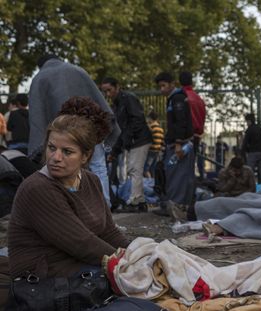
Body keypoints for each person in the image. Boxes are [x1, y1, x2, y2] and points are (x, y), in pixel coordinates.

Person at [7, 97, 130, 279]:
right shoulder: (37, 188)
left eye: (67, 151)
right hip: (42, 275)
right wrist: (128, 264)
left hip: (79, 262)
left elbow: (108, 231)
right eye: (51, 148)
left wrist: (137, 252)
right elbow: (81, 243)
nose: (56, 157)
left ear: (85, 156)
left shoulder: (91, 180)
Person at [28, 54, 120, 207]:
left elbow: (38, 114)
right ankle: (105, 205)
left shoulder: (40, 77)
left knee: (67, 167)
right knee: (98, 165)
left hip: (63, 132)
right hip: (90, 128)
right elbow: (97, 101)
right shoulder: (78, 70)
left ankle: (73, 206)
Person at [101, 77, 152, 213]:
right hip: (133, 140)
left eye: (109, 90)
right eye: (104, 91)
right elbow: (122, 131)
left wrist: (127, 140)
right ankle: (139, 201)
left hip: (139, 139)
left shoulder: (128, 99)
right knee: (133, 170)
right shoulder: (117, 104)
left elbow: (136, 120)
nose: (107, 94)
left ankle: (136, 201)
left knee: (134, 170)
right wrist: (114, 152)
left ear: (117, 87)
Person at [154, 72, 195, 218]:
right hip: (176, 143)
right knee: (174, 175)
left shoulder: (177, 99)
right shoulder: (175, 98)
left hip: (180, 144)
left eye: (164, 86)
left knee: (177, 177)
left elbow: (181, 122)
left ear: (172, 84)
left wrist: (178, 143)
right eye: (160, 87)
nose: (162, 90)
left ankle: (176, 206)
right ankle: (173, 205)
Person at [241, 113, 261, 183]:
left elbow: (245, 143)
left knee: (250, 172)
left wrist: (242, 152)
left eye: (247, 122)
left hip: (252, 153)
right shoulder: (259, 128)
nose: (246, 123)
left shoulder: (249, 130)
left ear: (249, 121)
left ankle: (251, 188)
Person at [144, 109, 164, 178]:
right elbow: (162, 141)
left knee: (146, 169)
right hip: (157, 151)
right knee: (153, 169)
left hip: (150, 151)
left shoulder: (150, 127)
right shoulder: (160, 128)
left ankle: (149, 182)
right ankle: (153, 183)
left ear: (150, 118)